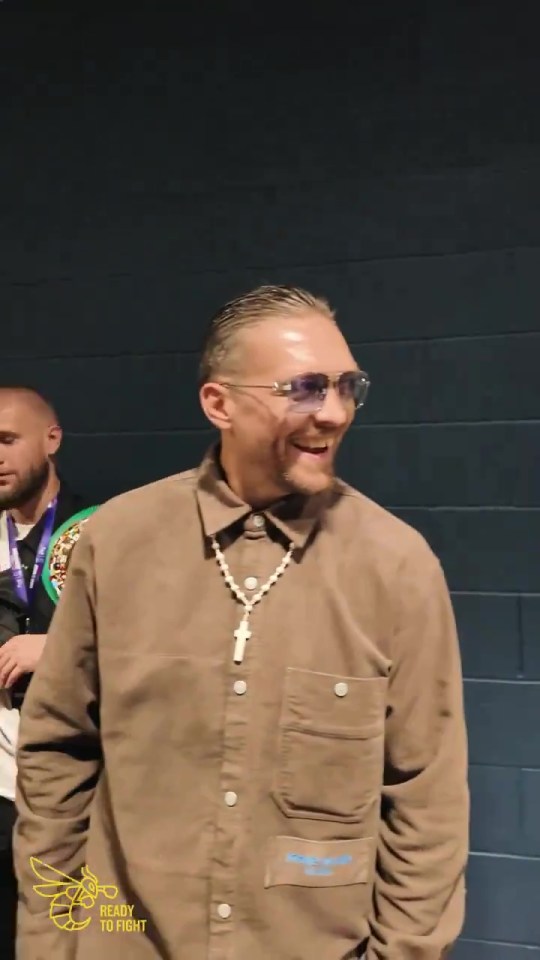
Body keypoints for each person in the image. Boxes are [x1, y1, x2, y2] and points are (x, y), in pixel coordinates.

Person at [14, 286, 469, 960]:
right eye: (305, 388)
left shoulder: (397, 567)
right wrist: (54, 941)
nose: (335, 413)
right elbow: (57, 755)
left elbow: (426, 802)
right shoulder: (117, 543)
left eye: (348, 387)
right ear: (219, 404)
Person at [0, 387, 89, 959]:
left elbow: (150, 648)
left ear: (51, 439)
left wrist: (54, 648)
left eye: (7, 441)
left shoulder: (106, 531)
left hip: (75, 791)